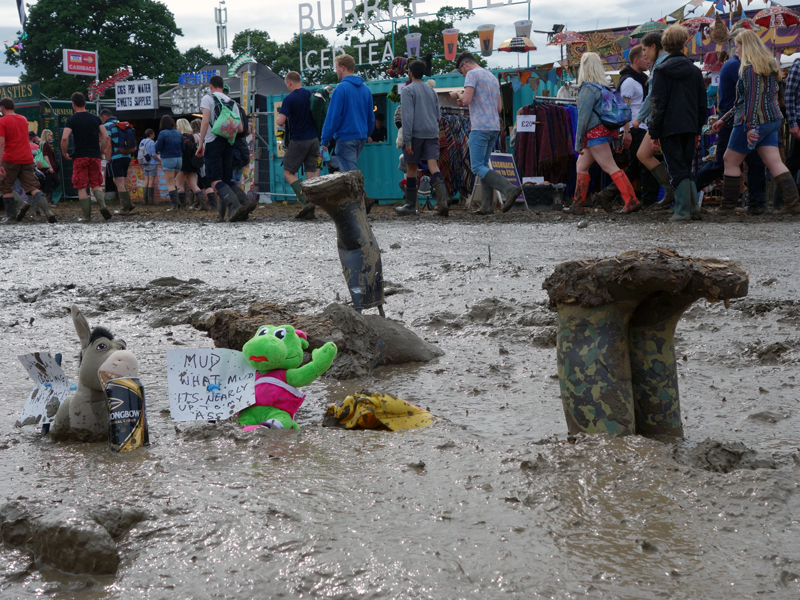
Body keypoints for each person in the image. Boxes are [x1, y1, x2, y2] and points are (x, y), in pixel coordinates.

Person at [712, 28, 800, 214]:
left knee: (730, 160)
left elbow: (750, 101)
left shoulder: (749, 68)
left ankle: (726, 208)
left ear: (746, 46)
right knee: (774, 161)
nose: (736, 51)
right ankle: (793, 205)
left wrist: (751, 127)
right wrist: (725, 119)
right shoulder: (768, 65)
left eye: (737, 46)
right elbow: (756, 99)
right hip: (772, 120)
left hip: (754, 121)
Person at [698, 36, 767, 215]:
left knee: (753, 161)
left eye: (738, 46)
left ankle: (756, 203)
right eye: (736, 46)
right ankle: (688, 189)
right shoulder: (736, 66)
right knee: (723, 162)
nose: (737, 49)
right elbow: (748, 96)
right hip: (734, 121)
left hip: (741, 119)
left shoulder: (739, 65)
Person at [568, 52, 641, 214]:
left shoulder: (587, 88)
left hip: (594, 134)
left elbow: (583, 117)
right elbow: (612, 116)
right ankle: (577, 204)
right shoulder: (603, 88)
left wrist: (578, 141)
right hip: (604, 133)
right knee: (581, 165)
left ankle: (631, 200)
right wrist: (615, 140)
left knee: (610, 167)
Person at [450, 51, 521, 215]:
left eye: (462, 72)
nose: (463, 75)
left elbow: (466, 99)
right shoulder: (491, 76)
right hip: (494, 127)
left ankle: (509, 189)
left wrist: (457, 95)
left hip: (480, 127)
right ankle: (487, 205)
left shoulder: (472, 75)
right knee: (483, 165)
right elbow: (499, 108)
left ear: (464, 65)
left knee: (476, 167)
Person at [647, 25, 707, 221]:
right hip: (690, 125)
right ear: (684, 43)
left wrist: (654, 133)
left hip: (669, 127)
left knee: (676, 168)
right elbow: (701, 104)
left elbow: (657, 104)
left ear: (665, 44)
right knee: (686, 167)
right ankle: (692, 208)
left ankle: (682, 211)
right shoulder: (695, 71)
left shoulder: (661, 71)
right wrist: (698, 129)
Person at [595, 45, 658, 209]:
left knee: (637, 167)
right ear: (636, 60)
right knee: (640, 167)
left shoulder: (639, 79)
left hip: (640, 128)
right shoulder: (629, 81)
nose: (647, 60)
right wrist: (627, 131)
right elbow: (624, 108)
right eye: (644, 58)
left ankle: (608, 194)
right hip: (635, 129)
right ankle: (647, 200)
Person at [395, 59, 450, 217]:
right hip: (432, 133)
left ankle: (411, 206)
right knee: (434, 166)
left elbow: (407, 116)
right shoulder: (431, 91)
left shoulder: (407, 90)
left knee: (411, 168)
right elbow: (438, 115)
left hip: (415, 134)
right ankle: (442, 203)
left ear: (410, 73)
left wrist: (407, 140)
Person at [195, 74, 248, 222]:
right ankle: (245, 203)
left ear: (211, 86)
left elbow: (205, 122)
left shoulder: (208, 98)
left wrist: (200, 145)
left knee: (214, 178)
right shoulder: (232, 102)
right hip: (228, 143)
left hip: (213, 142)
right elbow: (240, 128)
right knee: (227, 178)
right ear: (223, 86)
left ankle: (234, 206)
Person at [632, 32, 675, 211]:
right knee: (660, 157)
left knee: (645, 155)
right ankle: (671, 190)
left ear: (654, 47)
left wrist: (639, 118)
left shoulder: (660, 66)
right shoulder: (668, 62)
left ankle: (671, 190)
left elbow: (652, 96)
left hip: (661, 118)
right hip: (669, 118)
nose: (644, 54)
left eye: (645, 49)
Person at [0, 98, 54, 223]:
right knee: (33, 187)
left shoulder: (2, 121)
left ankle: (12, 216)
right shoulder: (23, 119)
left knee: (5, 187)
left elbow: (2, 143)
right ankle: (48, 212)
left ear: (2, 108)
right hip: (26, 158)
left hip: (10, 158)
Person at [320, 54, 374, 174]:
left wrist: (325, 139)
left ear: (342, 68)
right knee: (350, 173)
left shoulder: (340, 89)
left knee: (350, 176)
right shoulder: (366, 89)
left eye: (336, 67)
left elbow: (332, 117)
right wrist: (367, 133)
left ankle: (359, 194)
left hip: (345, 138)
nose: (335, 71)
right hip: (361, 137)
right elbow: (371, 117)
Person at [277, 70, 320, 220]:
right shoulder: (312, 94)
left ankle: (304, 200)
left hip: (299, 140)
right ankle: (309, 211)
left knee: (288, 172)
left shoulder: (289, 99)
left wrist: (279, 117)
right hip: (314, 140)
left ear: (289, 82)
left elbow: (280, 121)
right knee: (310, 174)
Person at [61, 92, 111, 222]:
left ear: (73, 105)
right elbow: (106, 137)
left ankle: (87, 216)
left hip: (80, 157)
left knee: (81, 186)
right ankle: (103, 206)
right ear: (85, 103)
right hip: (95, 156)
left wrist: (64, 152)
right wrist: (101, 150)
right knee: (96, 184)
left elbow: (65, 137)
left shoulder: (71, 120)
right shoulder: (96, 118)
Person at [99, 108, 136, 215]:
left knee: (118, 182)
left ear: (104, 117)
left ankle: (124, 208)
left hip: (116, 157)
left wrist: (108, 158)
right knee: (119, 181)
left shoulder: (107, 126)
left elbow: (108, 143)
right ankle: (129, 204)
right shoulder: (121, 124)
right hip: (127, 155)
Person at [175, 118, 207, 210]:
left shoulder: (182, 137)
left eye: (177, 125)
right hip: (193, 163)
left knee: (179, 184)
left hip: (184, 163)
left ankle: (182, 206)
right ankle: (204, 204)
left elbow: (182, 150)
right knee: (193, 184)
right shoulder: (194, 136)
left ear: (181, 126)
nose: (176, 127)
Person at [155, 115, 184, 211]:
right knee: (173, 181)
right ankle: (178, 203)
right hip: (179, 159)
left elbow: (157, 148)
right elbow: (183, 148)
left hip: (168, 158)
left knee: (170, 183)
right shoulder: (178, 133)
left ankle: (175, 206)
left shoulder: (163, 133)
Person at [37, 129, 59, 202]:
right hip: (47, 168)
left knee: (49, 183)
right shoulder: (45, 144)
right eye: (51, 135)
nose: (52, 137)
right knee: (51, 183)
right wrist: (50, 166)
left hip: (44, 168)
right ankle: (46, 199)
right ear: (47, 135)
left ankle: (46, 197)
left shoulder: (42, 144)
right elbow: (45, 156)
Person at [138, 129, 158, 205]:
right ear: (150, 135)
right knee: (151, 182)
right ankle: (151, 200)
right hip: (152, 163)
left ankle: (144, 200)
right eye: (153, 134)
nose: (154, 135)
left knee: (146, 181)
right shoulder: (152, 142)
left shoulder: (142, 142)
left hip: (145, 163)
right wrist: (159, 160)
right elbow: (153, 154)